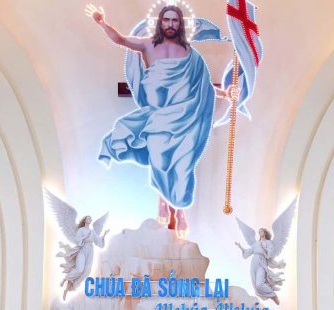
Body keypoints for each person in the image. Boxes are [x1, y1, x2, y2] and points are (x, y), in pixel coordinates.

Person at [88, 4, 230, 232]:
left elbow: (202, 87)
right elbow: (120, 40)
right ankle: (163, 203)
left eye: (175, 20)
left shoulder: (190, 55)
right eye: (167, 20)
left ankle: (179, 211)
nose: (170, 24)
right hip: (157, 116)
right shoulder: (147, 45)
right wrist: (102, 23)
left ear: (180, 24)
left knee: (182, 167)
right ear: (160, 22)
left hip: (183, 119)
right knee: (158, 158)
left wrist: (225, 94)